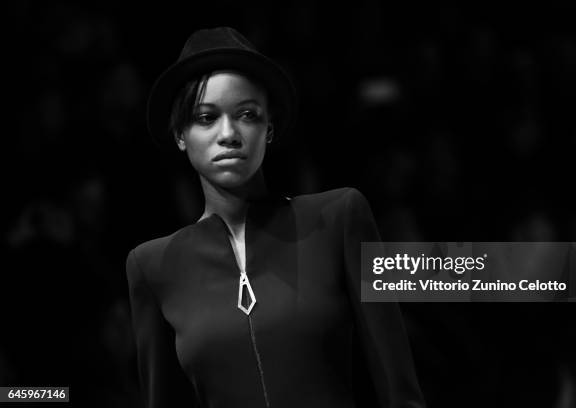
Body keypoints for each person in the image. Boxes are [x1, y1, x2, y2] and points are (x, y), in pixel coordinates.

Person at [126, 27, 425, 408]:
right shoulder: (152, 266)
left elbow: (399, 388)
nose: (229, 133)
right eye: (205, 118)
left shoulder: (337, 218)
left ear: (269, 128)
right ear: (180, 134)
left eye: (247, 114)